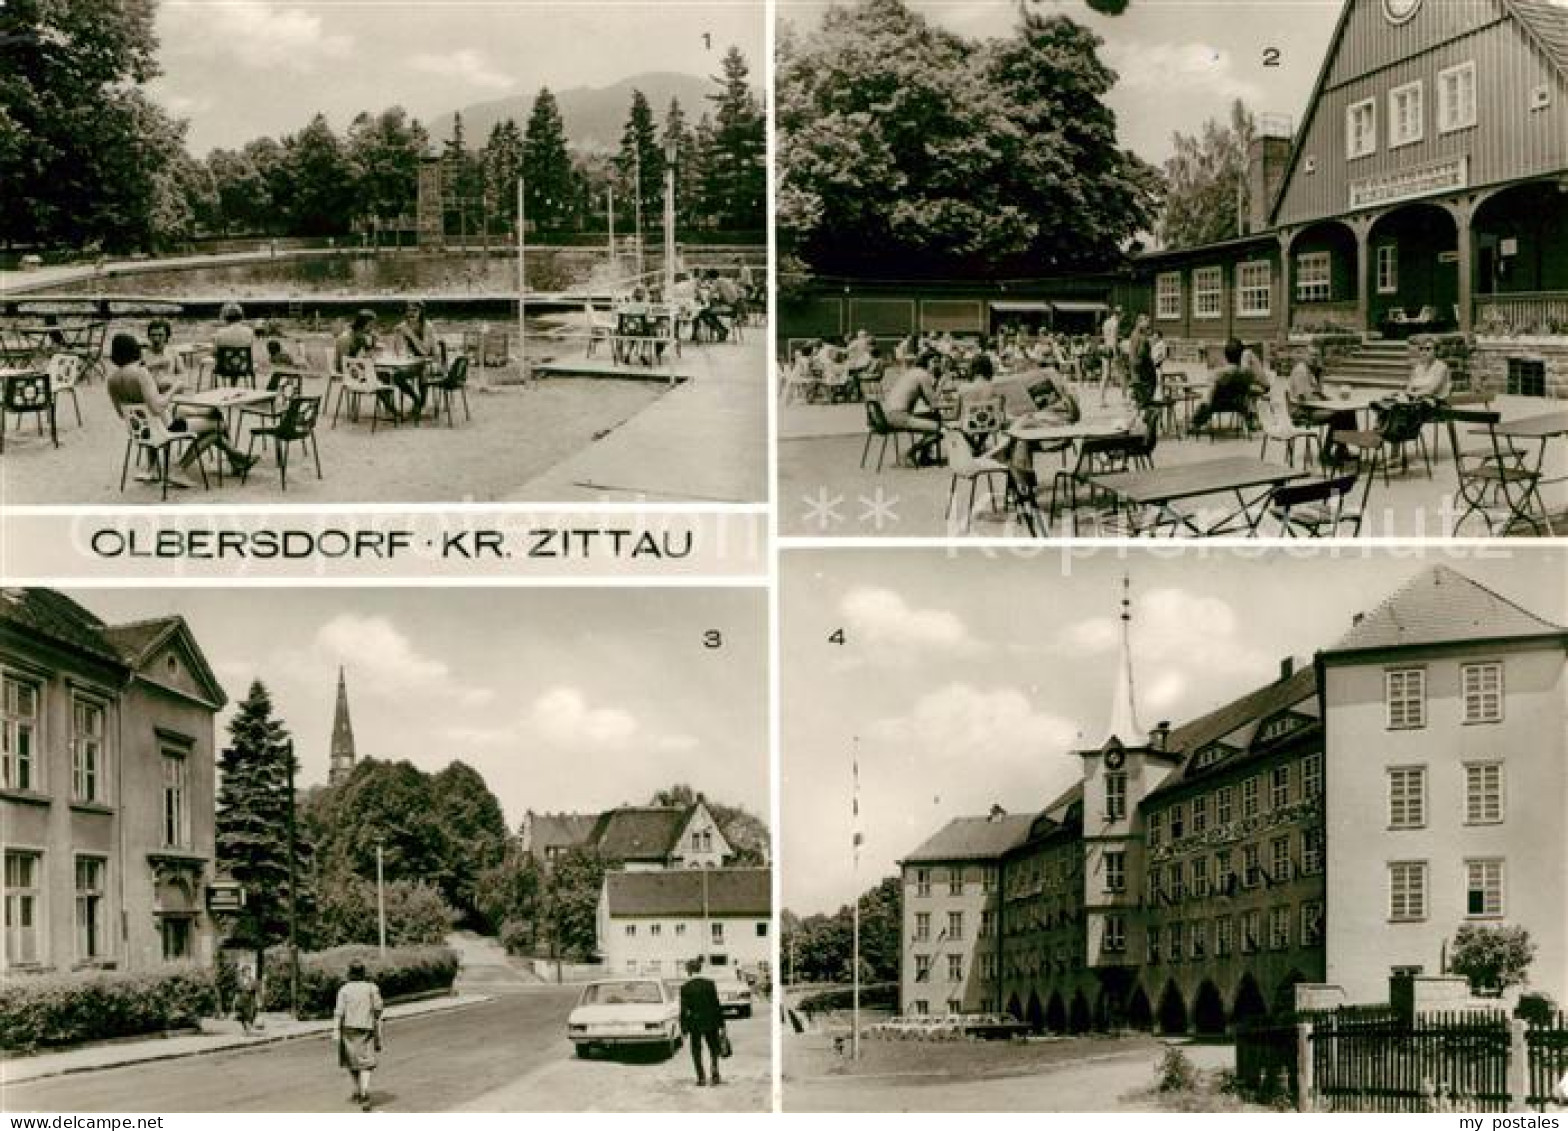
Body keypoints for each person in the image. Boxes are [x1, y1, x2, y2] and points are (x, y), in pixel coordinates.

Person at [107, 333, 256, 486]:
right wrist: (174, 389)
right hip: (165, 428)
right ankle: (178, 468)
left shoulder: (112, 380)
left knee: (210, 413)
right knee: (218, 425)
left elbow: (121, 413)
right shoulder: (140, 373)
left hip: (142, 431)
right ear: (134, 349)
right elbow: (157, 408)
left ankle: (238, 459)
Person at [334, 961, 384, 1111]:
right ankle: (364, 1090)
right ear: (364, 973)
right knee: (366, 1063)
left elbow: (339, 1012)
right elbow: (378, 1009)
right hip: (366, 1029)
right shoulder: (372, 988)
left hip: (348, 1029)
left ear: (349, 973)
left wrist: (335, 1030)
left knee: (352, 1061)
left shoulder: (344, 990)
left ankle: (357, 1089)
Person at [1191, 337, 1269, 432]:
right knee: (1240, 390)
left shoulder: (1245, 356)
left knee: (1211, 397)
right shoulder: (1244, 361)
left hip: (1258, 386)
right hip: (1244, 395)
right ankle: (1251, 419)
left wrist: (1225, 372)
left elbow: (1243, 371)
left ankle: (1195, 423)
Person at [336, 309, 400, 421]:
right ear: (364, 323)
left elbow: (367, 354)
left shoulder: (360, 335)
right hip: (348, 373)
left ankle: (389, 409)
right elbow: (345, 361)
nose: (372, 327)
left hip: (357, 370)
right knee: (382, 376)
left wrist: (373, 343)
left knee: (385, 375)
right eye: (371, 324)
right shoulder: (346, 337)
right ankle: (391, 409)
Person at [883, 355, 944, 464]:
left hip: (890, 414)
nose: (937, 365)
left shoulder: (912, 372)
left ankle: (925, 457)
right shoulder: (923, 375)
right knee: (941, 429)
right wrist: (941, 385)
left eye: (938, 362)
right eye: (934, 361)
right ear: (926, 362)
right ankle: (909, 453)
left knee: (933, 418)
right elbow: (934, 404)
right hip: (899, 416)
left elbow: (928, 403)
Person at [679, 958, 726, 1087]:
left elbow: (683, 1010)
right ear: (699, 969)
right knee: (713, 1047)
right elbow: (716, 1005)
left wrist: (683, 1029)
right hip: (711, 1021)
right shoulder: (710, 984)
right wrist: (722, 1024)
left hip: (695, 1023)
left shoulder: (685, 988)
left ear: (689, 971)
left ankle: (701, 1077)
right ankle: (715, 1073)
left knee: (696, 1050)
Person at [393, 301, 439, 416]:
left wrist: (410, 334)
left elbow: (426, 351)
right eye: (409, 310)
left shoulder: (428, 326)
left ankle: (422, 405)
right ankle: (416, 400)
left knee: (423, 371)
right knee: (397, 376)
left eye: (414, 311)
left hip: (432, 361)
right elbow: (398, 352)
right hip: (413, 362)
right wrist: (398, 337)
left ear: (421, 312)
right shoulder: (403, 327)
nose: (411, 313)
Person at [1097, 305, 1122, 404]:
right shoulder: (1115, 323)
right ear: (1118, 314)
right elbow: (1114, 340)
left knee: (1105, 374)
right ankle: (1125, 397)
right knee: (1121, 373)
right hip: (1111, 349)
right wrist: (1116, 354)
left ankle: (1101, 398)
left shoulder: (1106, 322)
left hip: (1105, 348)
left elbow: (1105, 336)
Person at [143, 319, 182, 383]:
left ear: (167, 336)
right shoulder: (142, 355)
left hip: (170, 389)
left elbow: (182, 375)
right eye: (153, 335)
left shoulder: (173, 353)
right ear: (149, 336)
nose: (156, 339)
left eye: (160, 335)